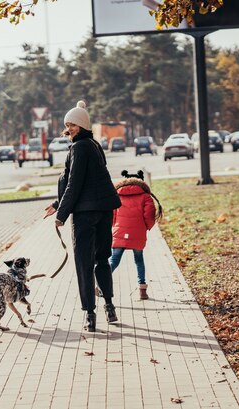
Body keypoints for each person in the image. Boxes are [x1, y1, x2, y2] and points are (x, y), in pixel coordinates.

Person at [44, 100, 121, 332]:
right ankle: (109, 305)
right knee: (102, 259)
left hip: (86, 214)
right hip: (104, 209)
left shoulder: (78, 148)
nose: (70, 129)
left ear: (83, 125)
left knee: (84, 264)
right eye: (68, 125)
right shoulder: (94, 145)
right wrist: (58, 204)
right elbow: (84, 182)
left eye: (74, 125)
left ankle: (89, 314)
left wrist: (62, 214)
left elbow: (74, 184)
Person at [109, 170, 163, 300]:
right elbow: (149, 215)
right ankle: (142, 291)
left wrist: (114, 226)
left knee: (114, 260)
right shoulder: (145, 196)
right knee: (139, 260)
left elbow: (111, 215)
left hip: (119, 232)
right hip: (138, 232)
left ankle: (99, 283)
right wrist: (146, 227)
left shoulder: (117, 195)